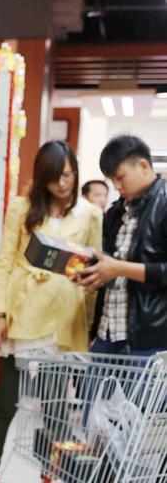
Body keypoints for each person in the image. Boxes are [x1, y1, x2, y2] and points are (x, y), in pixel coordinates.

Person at [0, 141, 103, 483]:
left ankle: (52, 475)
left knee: (56, 409)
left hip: (63, 319)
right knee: (5, 404)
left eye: (67, 174)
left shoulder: (90, 213)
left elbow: (96, 268)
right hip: (21, 315)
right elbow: (4, 264)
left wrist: (90, 322)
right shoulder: (22, 208)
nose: (63, 184)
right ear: (41, 178)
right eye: (54, 178)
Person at [78, 135, 167, 355]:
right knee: (93, 390)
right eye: (112, 180)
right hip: (106, 331)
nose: (117, 186)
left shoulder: (164, 205)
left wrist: (119, 268)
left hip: (149, 339)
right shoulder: (115, 212)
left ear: (143, 166)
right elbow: (108, 262)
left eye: (120, 178)